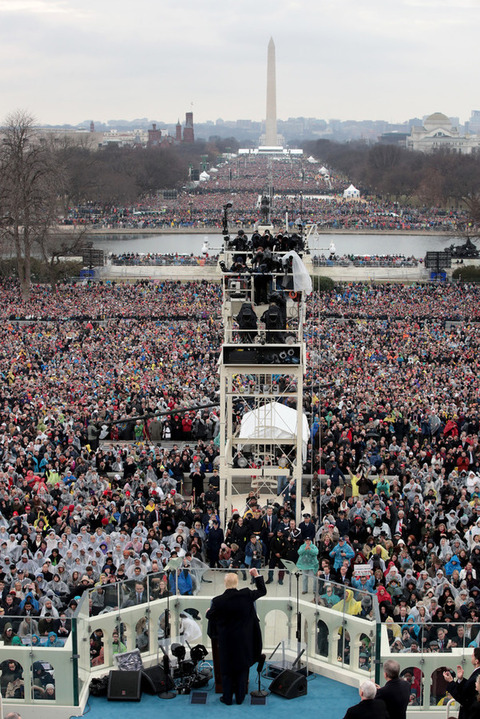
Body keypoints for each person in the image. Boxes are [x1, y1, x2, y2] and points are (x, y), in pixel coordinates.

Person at [206, 567, 266, 705]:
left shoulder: (218, 601)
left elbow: (210, 616)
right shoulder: (246, 595)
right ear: (237, 583)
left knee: (226, 670)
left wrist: (208, 611)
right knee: (242, 668)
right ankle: (240, 697)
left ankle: (227, 698)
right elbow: (262, 591)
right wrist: (256, 575)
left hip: (226, 641)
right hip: (243, 640)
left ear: (225, 583)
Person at [443, 648, 480, 719]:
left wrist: (451, 682)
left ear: (476, 661)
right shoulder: (476, 674)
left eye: (472, 656)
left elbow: (462, 697)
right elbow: (468, 688)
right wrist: (461, 679)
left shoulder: (477, 675)